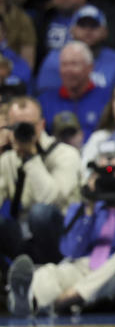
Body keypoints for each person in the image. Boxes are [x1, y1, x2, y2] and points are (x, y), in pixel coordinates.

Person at [5, 150, 115, 317]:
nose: (111, 176)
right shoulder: (81, 210)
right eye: (104, 172)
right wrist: (89, 209)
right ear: (93, 177)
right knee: (48, 272)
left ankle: (61, 300)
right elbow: (70, 251)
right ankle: (30, 303)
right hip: (85, 266)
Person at [0, 96, 82, 265]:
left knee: (40, 213)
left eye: (28, 126)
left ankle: (45, 271)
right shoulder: (7, 159)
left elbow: (49, 199)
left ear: (42, 125)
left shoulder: (66, 155)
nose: (22, 130)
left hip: (62, 239)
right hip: (24, 239)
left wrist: (30, 158)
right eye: (17, 126)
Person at [35, 4, 115, 94]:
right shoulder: (55, 59)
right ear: (72, 30)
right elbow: (46, 97)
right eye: (82, 25)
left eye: (94, 25)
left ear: (105, 32)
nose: (88, 30)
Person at [37, 40, 111, 141]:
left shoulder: (107, 99)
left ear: (90, 68)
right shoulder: (44, 101)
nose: (68, 70)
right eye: (64, 64)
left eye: (74, 64)